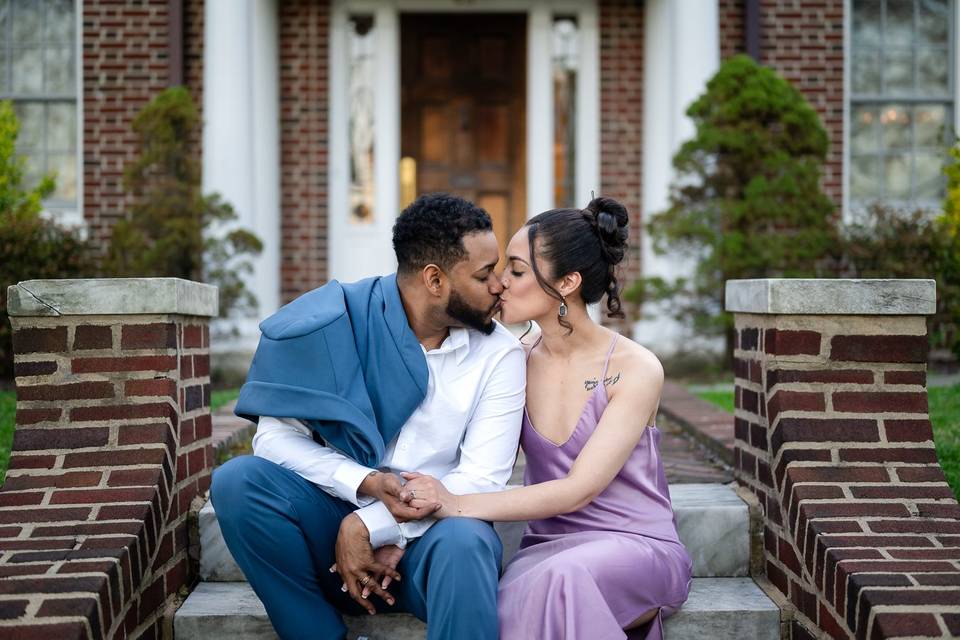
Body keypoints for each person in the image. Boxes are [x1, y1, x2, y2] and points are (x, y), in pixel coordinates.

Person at [209, 193, 526, 640]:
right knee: (238, 482)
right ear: (434, 279)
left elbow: (482, 480)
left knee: (468, 541)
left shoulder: (499, 355)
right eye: (483, 274)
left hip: (428, 547)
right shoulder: (338, 322)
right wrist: (364, 485)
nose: (499, 286)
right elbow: (274, 441)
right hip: (329, 533)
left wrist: (370, 523)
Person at [402, 197, 693, 640]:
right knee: (505, 597)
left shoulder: (635, 368)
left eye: (516, 271)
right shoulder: (511, 363)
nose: (499, 284)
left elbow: (580, 489)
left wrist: (453, 503)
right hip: (545, 551)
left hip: (636, 547)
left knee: (565, 580)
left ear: (568, 282)